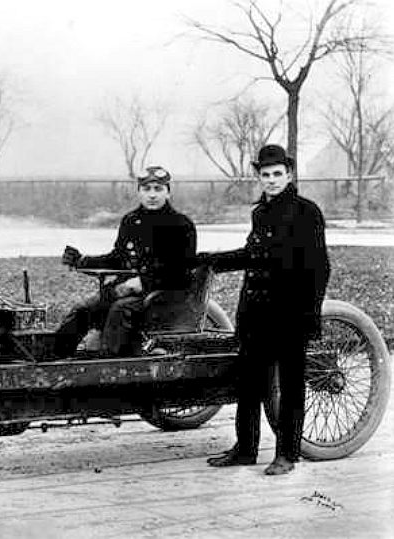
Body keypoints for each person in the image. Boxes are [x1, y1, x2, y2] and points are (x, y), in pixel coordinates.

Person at [203, 144, 330, 475]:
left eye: (277, 174)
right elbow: (252, 255)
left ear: (289, 175)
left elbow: (319, 268)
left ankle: (287, 454)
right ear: (258, 176)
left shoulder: (307, 211)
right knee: (249, 383)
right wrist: (211, 262)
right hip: (255, 312)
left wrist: (310, 315)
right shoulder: (259, 213)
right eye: (265, 175)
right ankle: (245, 449)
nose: (272, 180)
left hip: (290, 314)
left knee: (290, 387)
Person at [54, 166, 197, 358]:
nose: (152, 195)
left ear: (168, 193)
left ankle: (107, 367)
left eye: (158, 189)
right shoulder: (131, 221)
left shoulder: (181, 225)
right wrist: (82, 261)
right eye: (147, 189)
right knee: (83, 309)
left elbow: (180, 270)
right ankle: (55, 361)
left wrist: (143, 282)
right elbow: (117, 258)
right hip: (130, 293)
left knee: (119, 310)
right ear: (139, 192)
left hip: (164, 296)